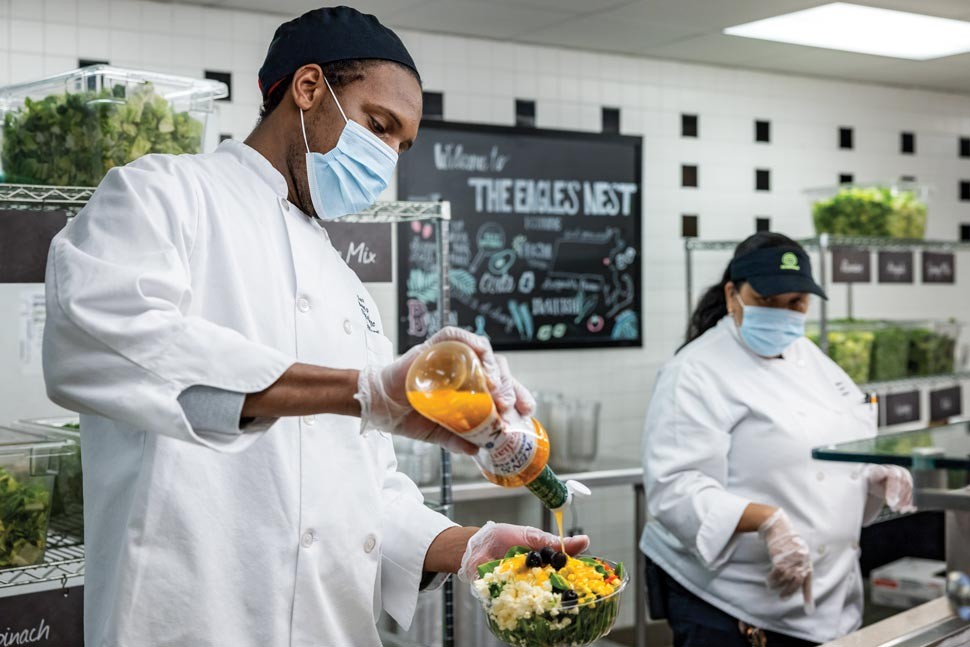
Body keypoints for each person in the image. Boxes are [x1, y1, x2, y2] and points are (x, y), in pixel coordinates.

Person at [42, 7, 587, 647]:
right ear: (306, 90)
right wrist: (361, 390)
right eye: (378, 126)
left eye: (401, 145)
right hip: (187, 622)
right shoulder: (162, 195)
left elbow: (365, 489)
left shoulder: (346, 288)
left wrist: (468, 546)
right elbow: (109, 346)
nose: (385, 158)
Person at [639, 232, 915, 647]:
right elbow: (675, 490)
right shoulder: (694, 371)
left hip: (832, 597)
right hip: (732, 604)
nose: (784, 314)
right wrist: (767, 520)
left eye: (796, 303)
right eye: (767, 300)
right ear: (733, 294)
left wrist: (871, 478)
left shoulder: (813, 360)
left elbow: (837, 440)